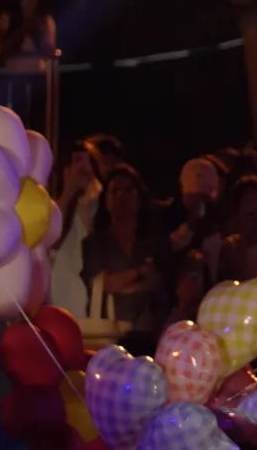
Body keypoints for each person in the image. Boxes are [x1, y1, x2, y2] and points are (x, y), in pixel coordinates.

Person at [80, 164, 169, 334]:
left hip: (150, 332)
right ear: (105, 199)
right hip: (109, 331)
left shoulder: (153, 241)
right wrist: (139, 272)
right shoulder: (94, 243)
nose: (121, 196)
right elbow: (104, 284)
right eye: (115, 191)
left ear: (139, 198)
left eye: (128, 190)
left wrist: (124, 286)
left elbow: (158, 281)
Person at [49, 139, 103, 318]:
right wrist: (68, 193)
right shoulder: (53, 206)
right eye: (77, 161)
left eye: (89, 162)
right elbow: (52, 240)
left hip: (90, 295)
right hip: (60, 292)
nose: (83, 168)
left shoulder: (100, 202)